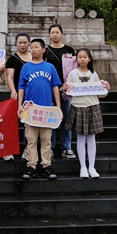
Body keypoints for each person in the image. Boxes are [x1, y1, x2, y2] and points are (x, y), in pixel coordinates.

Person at [17, 38, 61, 180]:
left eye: (36, 47)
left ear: (43, 50)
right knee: (31, 139)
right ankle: (31, 166)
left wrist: (58, 107)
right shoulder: (26, 67)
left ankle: (46, 165)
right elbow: (21, 87)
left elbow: (55, 86)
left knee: (46, 139)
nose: (33, 49)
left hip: (47, 110)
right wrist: (19, 106)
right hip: (30, 110)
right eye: (32, 47)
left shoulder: (50, 67)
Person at [63, 48, 110, 178]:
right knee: (80, 138)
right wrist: (65, 88)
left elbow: (100, 93)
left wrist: (106, 89)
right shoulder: (73, 73)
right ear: (76, 59)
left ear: (89, 59)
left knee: (91, 138)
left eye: (85, 57)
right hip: (78, 107)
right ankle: (83, 167)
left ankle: (92, 167)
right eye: (80, 57)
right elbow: (66, 91)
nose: (82, 59)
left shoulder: (93, 74)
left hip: (92, 107)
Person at [46, 24, 76, 159]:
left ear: (62, 34)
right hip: (50, 88)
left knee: (66, 117)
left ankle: (66, 147)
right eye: (52, 32)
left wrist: (68, 84)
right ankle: (50, 147)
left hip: (65, 89)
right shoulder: (46, 51)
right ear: (49, 35)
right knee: (51, 117)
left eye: (57, 32)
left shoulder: (69, 50)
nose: (55, 35)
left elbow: (74, 69)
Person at [5, 32, 32, 160]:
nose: (22, 45)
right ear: (16, 44)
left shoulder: (34, 57)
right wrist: (13, 90)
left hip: (32, 94)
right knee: (14, 122)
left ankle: (28, 149)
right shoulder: (12, 59)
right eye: (20, 43)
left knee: (29, 122)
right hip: (17, 95)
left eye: (25, 42)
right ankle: (10, 149)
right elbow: (9, 77)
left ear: (29, 43)